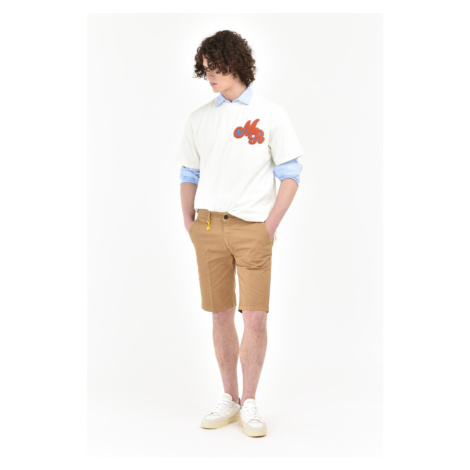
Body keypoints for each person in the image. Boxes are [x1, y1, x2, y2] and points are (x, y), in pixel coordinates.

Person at [176, 30, 304, 438]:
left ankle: (250, 401)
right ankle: (229, 398)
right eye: (205, 68)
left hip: (253, 229)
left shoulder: (270, 114)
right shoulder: (199, 119)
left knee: (256, 317)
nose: (209, 75)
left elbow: (291, 174)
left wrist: (269, 226)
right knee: (219, 315)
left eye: (216, 66)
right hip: (208, 226)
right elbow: (189, 173)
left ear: (236, 63)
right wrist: (189, 223)